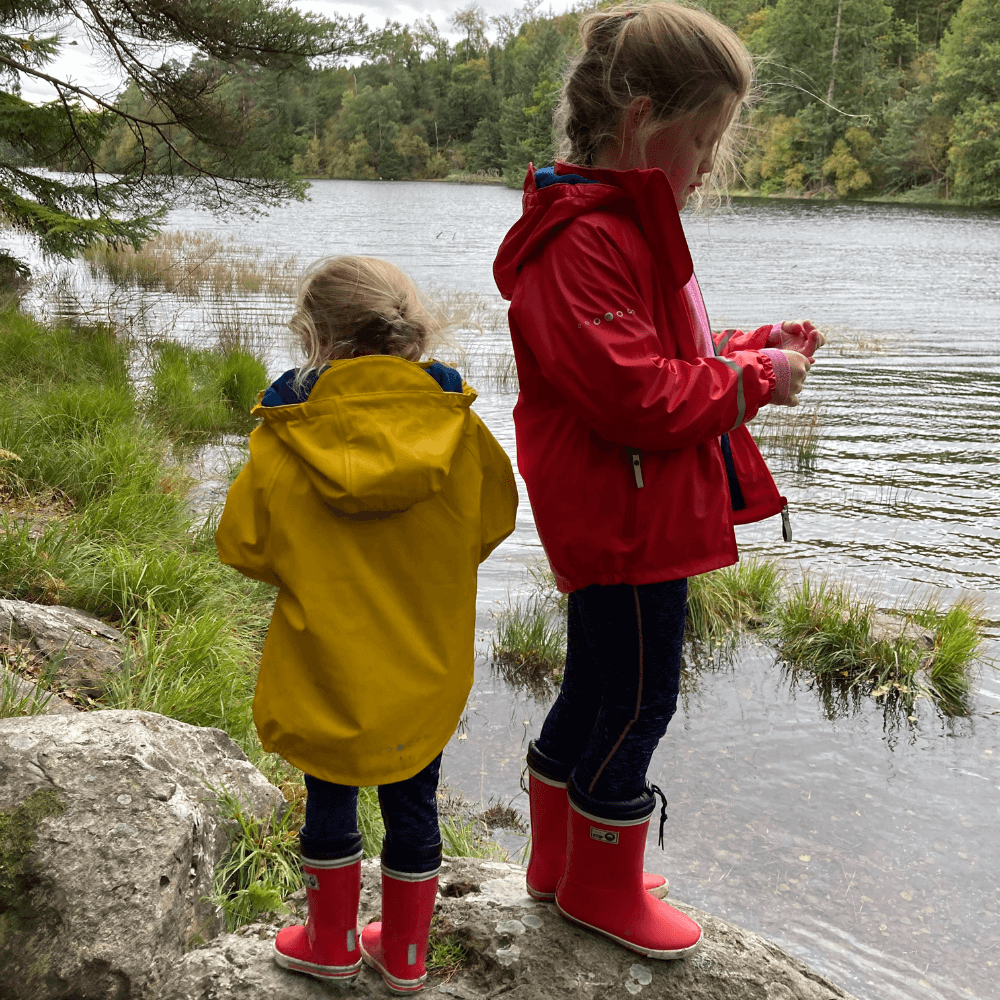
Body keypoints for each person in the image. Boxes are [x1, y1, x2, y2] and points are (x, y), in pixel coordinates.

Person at [493, 1, 824, 962]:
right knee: (642, 702)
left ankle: (560, 863)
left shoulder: (622, 228)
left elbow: (663, 358)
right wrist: (757, 381)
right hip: (626, 521)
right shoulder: (586, 238)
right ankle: (599, 886)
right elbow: (638, 398)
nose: (711, 164)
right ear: (641, 120)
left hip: (627, 509)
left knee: (598, 684)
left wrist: (744, 347)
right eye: (705, 138)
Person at [216, 255, 518, 993]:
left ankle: (329, 941)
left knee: (329, 798)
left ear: (315, 341)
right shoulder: (458, 427)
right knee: (415, 802)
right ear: (409, 332)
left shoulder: (291, 432)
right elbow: (492, 520)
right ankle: (407, 953)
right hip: (424, 660)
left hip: (327, 662)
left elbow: (244, 545)